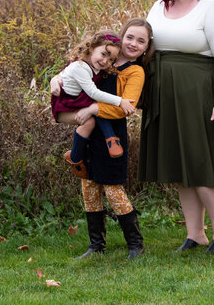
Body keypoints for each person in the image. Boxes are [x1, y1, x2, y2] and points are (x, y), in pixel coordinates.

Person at [139, 0, 214, 253]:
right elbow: (138, 45)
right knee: (180, 164)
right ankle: (196, 234)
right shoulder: (158, 7)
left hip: (198, 93)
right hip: (164, 94)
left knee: (203, 163)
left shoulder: (212, 5)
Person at [51, 19, 154, 259]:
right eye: (130, 37)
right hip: (89, 136)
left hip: (112, 137)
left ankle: (135, 244)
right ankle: (96, 245)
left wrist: (93, 110)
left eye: (141, 41)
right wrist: (54, 80)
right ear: (121, 36)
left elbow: (125, 107)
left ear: (147, 47)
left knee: (113, 189)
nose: (134, 43)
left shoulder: (135, 72)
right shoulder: (101, 58)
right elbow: (69, 74)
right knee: (89, 188)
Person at [51, 32, 136, 176]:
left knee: (95, 112)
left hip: (77, 100)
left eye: (111, 59)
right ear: (91, 48)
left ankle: (105, 142)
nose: (105, 61)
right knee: (92, 114)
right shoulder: (80, 67)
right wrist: (120, 101)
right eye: (104, 53)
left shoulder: (92, 65)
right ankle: (78, 157)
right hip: (65, 104)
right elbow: (93, 92)